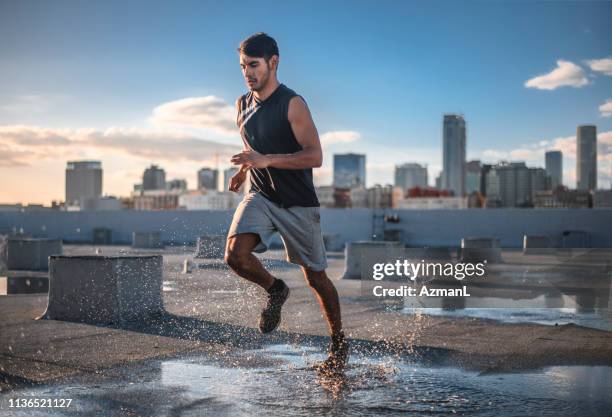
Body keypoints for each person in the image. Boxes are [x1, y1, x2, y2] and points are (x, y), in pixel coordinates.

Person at [225, 32, 348, 374]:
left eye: (254, 65)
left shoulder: (293, 103)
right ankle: (275, 289)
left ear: (273, 63)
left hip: (297, 203)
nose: (247, 72)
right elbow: (255, 148)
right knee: (235, 255)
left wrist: (267, 160)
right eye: (242, 66)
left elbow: (315, 156)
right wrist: (245, 169)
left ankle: (338, 342)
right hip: (261, 194)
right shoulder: (242, 105)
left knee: (317, 279)